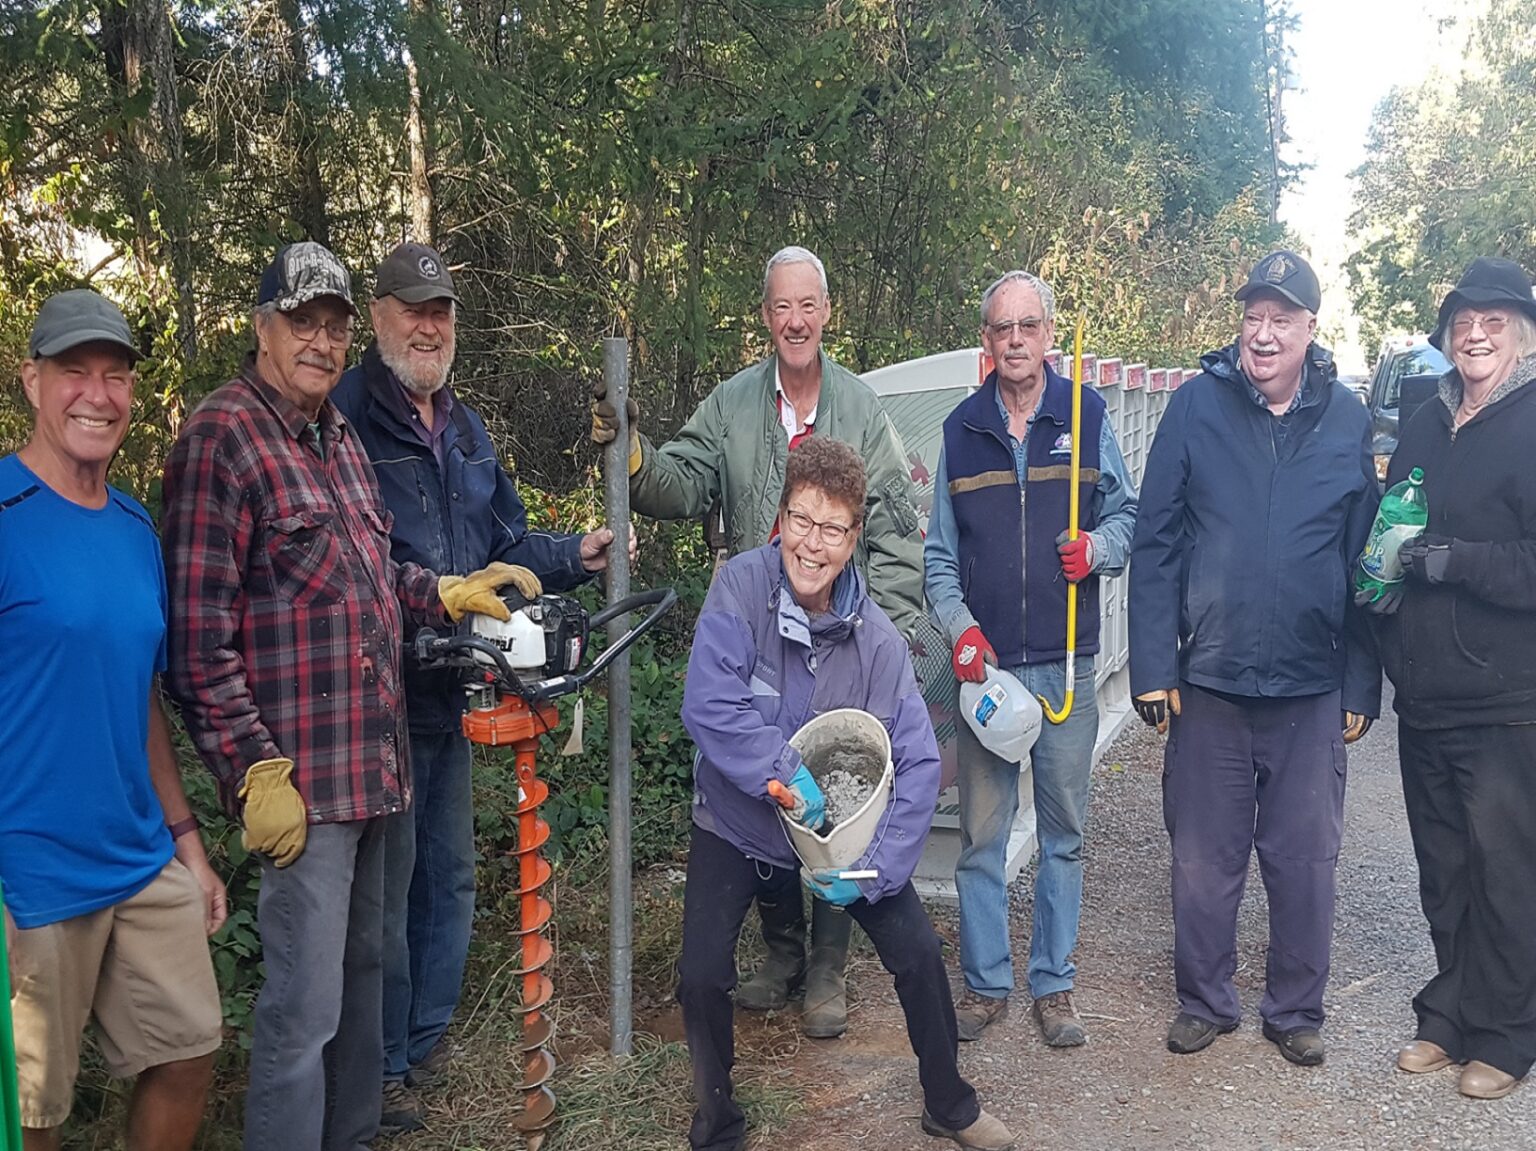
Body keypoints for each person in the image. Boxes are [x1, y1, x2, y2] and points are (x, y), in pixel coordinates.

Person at [161, 241, 535, 1151]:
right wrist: (251, 769)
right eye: (304, 324)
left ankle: (354, 1137)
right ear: (263, 329)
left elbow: (374, 577)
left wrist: (442, 591)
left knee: (365, 982)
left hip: (376, 766)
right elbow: (197, 641)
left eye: (331, 327)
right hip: (302, 790)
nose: (321, 343)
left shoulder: (338, 437)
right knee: (303, 1012)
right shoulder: (222, 437)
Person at [592, 245, 925, 1038]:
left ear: (827, 312)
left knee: (839, 793)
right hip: (761, 636)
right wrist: (631, 451)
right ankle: (782, 952)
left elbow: (894, 530)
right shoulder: (734, 405)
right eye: (782, 306)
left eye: (808, 305)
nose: (796, 320)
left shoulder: (860, 408)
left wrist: (886, 632)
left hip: (840, 638)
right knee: (766, 781)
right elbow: (680, 480)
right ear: (767, 315)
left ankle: (828, 965)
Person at [331, 241, 627, 1130]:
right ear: (378, 315)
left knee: (451, 878)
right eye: (413, 309)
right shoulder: (344, 418)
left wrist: (577, 555)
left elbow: (507, 545)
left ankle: (423, 1044)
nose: (429, 327)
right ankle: (381, 1068)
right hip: (377, 697)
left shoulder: (464, 428)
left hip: (459, 687)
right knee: (385, 895)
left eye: (441, 312)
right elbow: (348, 563)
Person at [677, 436, 1014, 1151]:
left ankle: (949, 1104)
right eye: (802, 520)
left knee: (918, 953)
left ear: (855, 537)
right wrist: (780, 767)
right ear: (781, 518)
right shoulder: (740, 589)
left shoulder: (879, 642)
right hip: (738, 820)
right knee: (701, 975)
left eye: (832, 528)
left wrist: (879, 865)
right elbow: (708, 702)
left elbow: (917, 760)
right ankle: (718, 1125)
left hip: (840, 833)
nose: (813, 543)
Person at [1129, 249, 1381, 1067]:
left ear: (1310, 329)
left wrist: (1360, 682)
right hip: (1211, 680)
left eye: (1281, 318)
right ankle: (1204, 999)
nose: (1263, 333)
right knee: (1203, 858)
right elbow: (1156, 541)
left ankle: (1296, 1008)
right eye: (1253, 317)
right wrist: (1153, 666)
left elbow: (1363, 563)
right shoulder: (1195, 407)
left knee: (1304, 861)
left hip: (1311, 685)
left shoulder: (1346, 418)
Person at [1, 290, 225, 1151]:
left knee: (190, 1048)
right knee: (33, 1112)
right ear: (32, 381)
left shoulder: (135, 526)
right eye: (74, 372)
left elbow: (140, 699)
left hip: (136, 857)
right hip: (28, 872)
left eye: (115, 375)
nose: (97, 394)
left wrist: (187, 843)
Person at [923, 270, 1138, 1046]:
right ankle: (986, 983)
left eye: (1027, 326)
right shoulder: (960, 430)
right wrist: (959, 629)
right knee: (982, 836)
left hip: (1065, 665)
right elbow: (938, 560)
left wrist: (1098, 549)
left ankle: (1055, 984)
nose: (1015, 339)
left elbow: (1129, 516)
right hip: (988, 674)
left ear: (1048, 334)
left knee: (1062, 832)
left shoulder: (1087, 415)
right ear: (986, 341)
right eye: (1001, 328)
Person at [1362, 256, 1536, 1100]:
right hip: (1425, 693)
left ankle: (1507, 1032)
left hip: (1505, 699)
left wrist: (1454, 561)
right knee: (1443, 867)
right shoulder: (1426, 421)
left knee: (1505, 870)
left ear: (1522, 335)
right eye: (1463, 321)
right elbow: (1395, 526)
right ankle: (1451, 1013)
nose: (1475, 333)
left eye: (1493, 321)